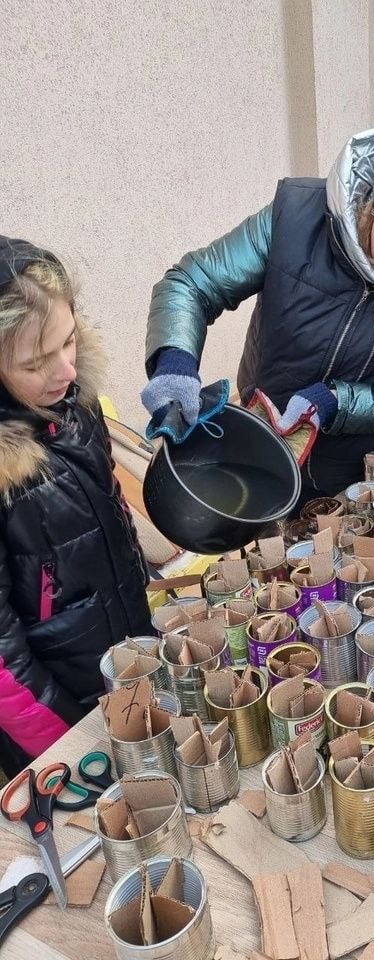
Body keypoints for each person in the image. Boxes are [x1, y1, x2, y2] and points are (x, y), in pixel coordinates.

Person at [141, 96, 374, 503]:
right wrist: (175, 361)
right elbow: (192, 283)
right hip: (268, 452)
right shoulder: (296, 218)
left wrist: (337, 402)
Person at [0, 237, 153, 778]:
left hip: (127, 660)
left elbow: (112, 524)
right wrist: (64, 744)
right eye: (36, 362)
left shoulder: (73, 409)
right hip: (58, 711)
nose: (65, 370)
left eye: (68, 341)